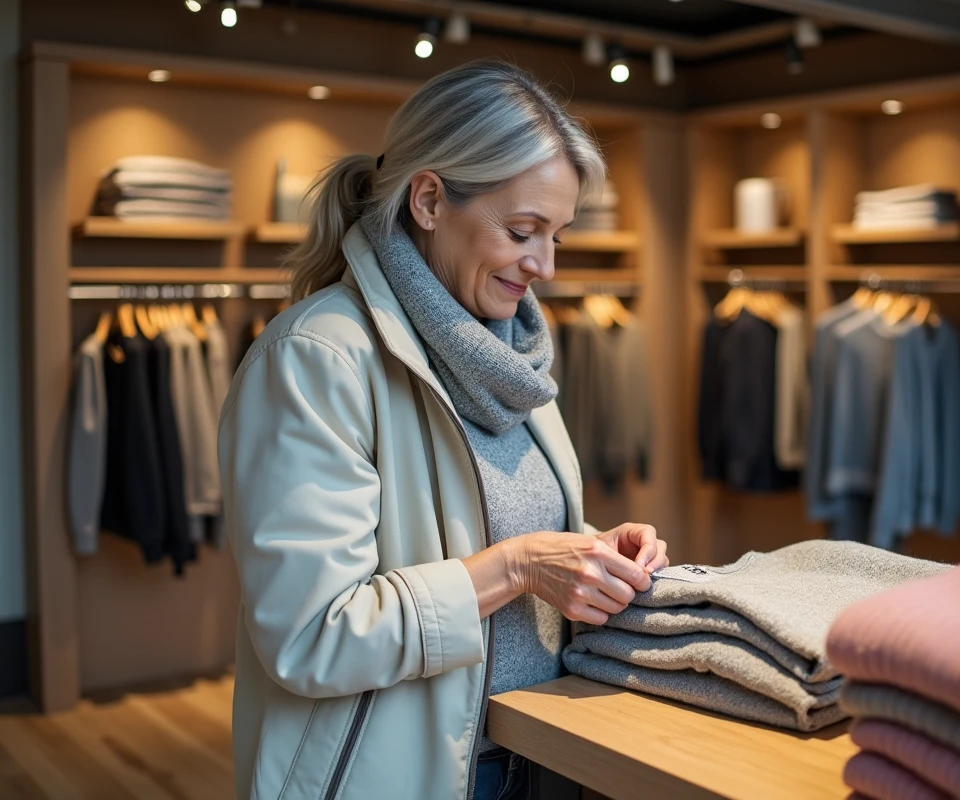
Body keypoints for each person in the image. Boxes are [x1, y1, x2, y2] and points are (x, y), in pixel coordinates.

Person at [218, 60, 670, 800]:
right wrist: (519, 566)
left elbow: (472, 524)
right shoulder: (318, 359)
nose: (546, 266)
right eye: (524, 231)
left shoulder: (510, 353)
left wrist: (590, 552)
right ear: (428, 200)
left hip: (545, 757)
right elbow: (311, 637)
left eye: (557, 235)